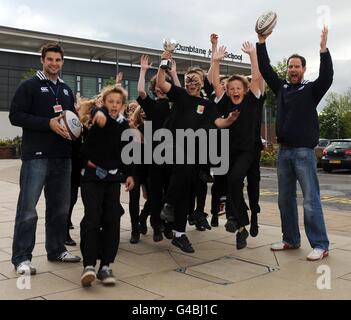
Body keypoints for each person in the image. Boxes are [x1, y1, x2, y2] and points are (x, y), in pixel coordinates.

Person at [256, 26, 333, 261]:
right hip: (284, 152)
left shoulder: (311, 89)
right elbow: (266, 69)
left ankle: (320, 244)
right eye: (290, 66)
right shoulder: (282, 87)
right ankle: (291, 239)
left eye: (296, 66)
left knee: (310, 200)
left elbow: (327, 77)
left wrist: (323, 50)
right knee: (284, 199)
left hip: (303, 153)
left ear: (303, 69)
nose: (293, 70)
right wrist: (261, 43)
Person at [9, 42, 81, 275]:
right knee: (28, 209)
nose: (54, 63)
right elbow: (15, 116)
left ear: (63, 62)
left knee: (60, 208)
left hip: (63, 156)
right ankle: (22, 258)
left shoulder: (67, 90)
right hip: (36, 157)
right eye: (50, 59)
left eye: (58, 60)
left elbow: (71, 121)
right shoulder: (29, 86)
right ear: (42, 60)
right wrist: (47, 123)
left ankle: (56, 249)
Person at [157, 51, 239, 253]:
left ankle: (179, 234)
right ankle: (167, 204)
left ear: (202, 83)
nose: (191, 84)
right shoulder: (181, 95)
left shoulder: (208, 105)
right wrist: (163, 63)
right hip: (173, 146)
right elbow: (161, 83)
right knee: (183, 169)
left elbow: (217, 122)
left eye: (195, 81)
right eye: (188, 81)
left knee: (187, 191)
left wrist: (229, 120)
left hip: (195, 151)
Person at [79, 85, 135, 287]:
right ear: (104, 103)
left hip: (112, 180)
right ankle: (89, 266)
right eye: (110, 101)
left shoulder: (125, 126)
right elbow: (98, 117)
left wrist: (129, 175)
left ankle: (105, 266)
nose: (114, 105)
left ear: (122, 105)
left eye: (118, 102)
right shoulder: (99, 118)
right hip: (93, 178)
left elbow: (127, 154)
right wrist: (99, 113)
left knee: (112, 218)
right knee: (92, 219)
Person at [211, 42, 265, 250]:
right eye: (231, 88)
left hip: (249, 151)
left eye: (238, 88)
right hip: (230, 151)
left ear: (245, 89)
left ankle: (248, 219)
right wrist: (215, 62)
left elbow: (257, 78)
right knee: (231, 184)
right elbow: (216, 84)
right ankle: (240, 224)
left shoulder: (252, 100)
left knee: (242, 183)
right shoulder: (225, 103)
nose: (234, 91)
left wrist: (253, 55)